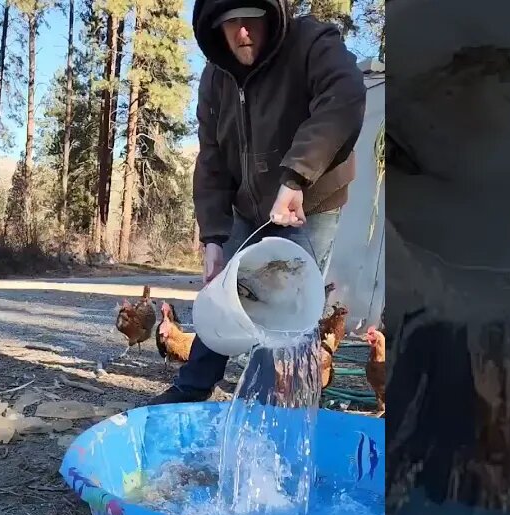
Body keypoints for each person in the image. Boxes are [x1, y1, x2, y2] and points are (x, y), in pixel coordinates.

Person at [144, 0, 367, 405]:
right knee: (221, 294)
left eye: (252, 19)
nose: (242, 32)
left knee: (287, 304)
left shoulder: (313, 42)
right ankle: (192, 387)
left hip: (308, 201)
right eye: (231, 23)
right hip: (246, 207)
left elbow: (344, 100)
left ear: (272, 14)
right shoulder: (216, 76)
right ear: (215, 27)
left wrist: (297, 176)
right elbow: (211, 157)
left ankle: (265, 403)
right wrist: (212, 235)